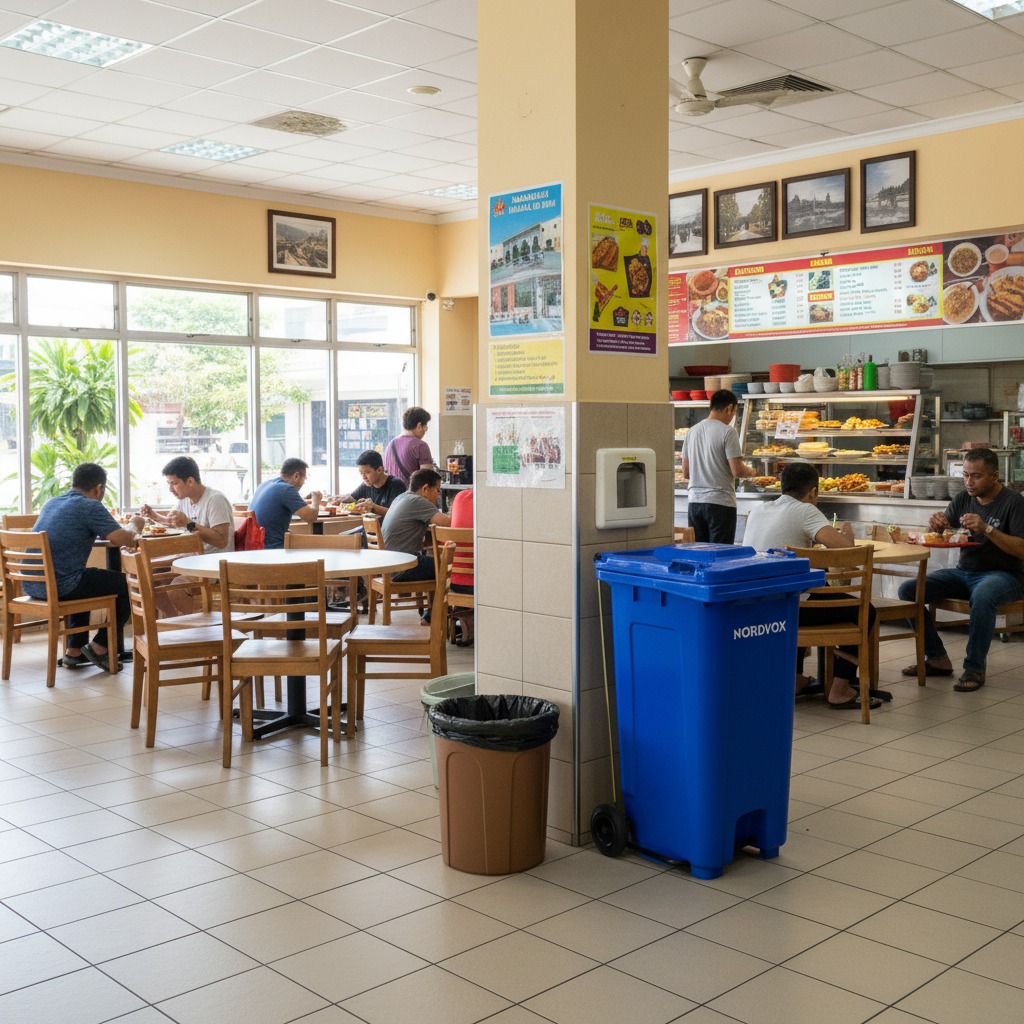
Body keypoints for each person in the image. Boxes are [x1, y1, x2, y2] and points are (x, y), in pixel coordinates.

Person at [743, 462, 879, 710]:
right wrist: (847, 534)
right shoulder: (805, 509)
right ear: (813, 492)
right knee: (865, 610)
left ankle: (794, 680)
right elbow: (848, 553)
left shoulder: (759, 510)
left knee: (802, 590)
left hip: (759, 606)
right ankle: (840, 689)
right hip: (793, 609)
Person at [897, 448, 1024, 691]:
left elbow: (1022, 550)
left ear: (995, 476)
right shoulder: (962, 498)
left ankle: (974, 667)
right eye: (965, 475)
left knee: (984, 595)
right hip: (963, 572)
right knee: (909, 589)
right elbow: (947, 535)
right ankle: (936, 657)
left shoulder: (1014, 503)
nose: (969, 482)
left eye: (976, 476)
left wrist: (987, 529)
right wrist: (938, 525)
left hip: (1005, 575)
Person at [25, 463, 143, 671]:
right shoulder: (90, 506)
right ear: (99, 488)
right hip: (59, 585)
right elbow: (124, 539)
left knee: (84, 578)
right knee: (130, 585)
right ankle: (100, 647)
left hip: (31, 583)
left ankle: (75, 652)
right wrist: (135, 524)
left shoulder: (52, 503)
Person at [679, 389, 757, 543]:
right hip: (720, 503)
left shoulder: (692, 431)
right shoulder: (728, 432)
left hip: (694, 503)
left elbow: (686, 472)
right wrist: (753, 472)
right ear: (729, 408)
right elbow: (737, 470)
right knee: (720, 555)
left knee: (699, 552)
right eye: (734, 412)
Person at [141, 456, 233, 553]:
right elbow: (172, 522)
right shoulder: (184, 499)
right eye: (169, 483)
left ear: (190, 481)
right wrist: (154, 516)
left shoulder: (215, 499)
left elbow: (222, 541)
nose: (170, 489)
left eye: (174, 483)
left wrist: (188, 523)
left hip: (214, 562)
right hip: (192, 558)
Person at [382, 468, 450, 585]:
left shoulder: (401, 497)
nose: (438, 494)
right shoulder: (418, 501)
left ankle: (435, 603)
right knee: (450, 565)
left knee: (437, 562)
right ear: (425, 488)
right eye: (437, 490)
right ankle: (444, 603)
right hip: (404, 566)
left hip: (389, 565)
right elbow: (449, 523)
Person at [249, 457, 322, 549]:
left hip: (255, 546)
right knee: (314, 549)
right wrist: (316, 500)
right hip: (273, 549)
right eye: (304, 480)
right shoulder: (287, 489)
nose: (303, 484)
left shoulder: (264, 485)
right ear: (296, 476)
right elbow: (310, 517)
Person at [339, 449, 406, 517]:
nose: (363, 477)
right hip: (370, 526)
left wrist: (373, 507)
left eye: (367, 472)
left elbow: (397, 515)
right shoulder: (367, 484)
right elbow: (352, 498)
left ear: (380, 470)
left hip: (386, 527)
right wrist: (336, 499)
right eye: (361, 473)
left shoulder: (397, 485)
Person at [384, 407, 434, 487]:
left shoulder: (390, 444)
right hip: (411, 497)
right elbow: (428, 479)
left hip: (392, 496)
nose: (426, 429)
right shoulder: (421, 445)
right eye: (426, 426)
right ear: (419, 425)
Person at [448, 487, 474, 645]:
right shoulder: (492, 501)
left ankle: (466, 630)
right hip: (482, 584)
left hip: (455, 583)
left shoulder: (460, 497)